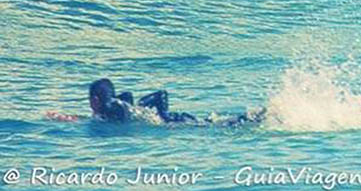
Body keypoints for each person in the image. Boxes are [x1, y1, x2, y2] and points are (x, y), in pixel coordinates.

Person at [86, 78, 264, 126]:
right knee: (217, 123)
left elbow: (161, 94)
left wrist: (163, 118)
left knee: (219, 125)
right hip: (177, 120)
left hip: (175, 121)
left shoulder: (111, 108)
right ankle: (257, 116)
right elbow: (127, 95)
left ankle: (258, 117)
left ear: (95, 100)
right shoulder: (115, 106)